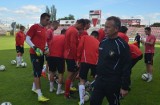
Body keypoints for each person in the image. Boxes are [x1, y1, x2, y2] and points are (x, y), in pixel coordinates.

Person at [90, 16, 131, 105]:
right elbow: (101, 59)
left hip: (112, 81)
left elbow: (127, 66)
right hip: (99, 80)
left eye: (108, 27)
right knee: (93, 101)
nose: (105, 29)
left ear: (116, 29)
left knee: (114, 102)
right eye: (105, 26)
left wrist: (124, 87)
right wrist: (97, 73)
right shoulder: (103, 41)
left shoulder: (122, 45)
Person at [25, 13, 50, 102]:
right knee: (37, 74)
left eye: (48, 20)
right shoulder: (34, 27)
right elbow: (27, 38)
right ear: (42, 19)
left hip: (41, 54)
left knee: (38, 72)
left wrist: (46, 48)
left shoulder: (44, 29)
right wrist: (35, 48)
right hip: (34, 54)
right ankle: (40, 95)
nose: (48, 21)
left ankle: (34, 88)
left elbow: (45, 41)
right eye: (47, 20)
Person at [64, 19, 86, 99]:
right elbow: (73, 46)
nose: (82, 29)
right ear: (79, 24)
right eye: (82, 27)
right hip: (71, 56)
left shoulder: (70, 29)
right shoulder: (74, 31)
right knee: (70, 75)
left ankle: (68, 90)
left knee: (73, 73)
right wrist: (76, 59)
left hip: (69, 55)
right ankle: (66, 94)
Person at [77, 31, 99, 105]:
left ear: (91, 34)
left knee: (82, 80)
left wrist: (78, 58)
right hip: (95, 62)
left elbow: (80, 47)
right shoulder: (98, 42)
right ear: (96, 36)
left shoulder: (85, 37)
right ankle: (94, 95)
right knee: (97, 78)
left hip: (85, 61)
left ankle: (82, 101)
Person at [47, 29, 66, 95]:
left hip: (50, 56)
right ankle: (59, 90)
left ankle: (51, 88)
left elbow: (49, 44)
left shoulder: (54, 37)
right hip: (59, 57)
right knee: (60, 73)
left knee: (51, 72)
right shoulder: (65, 38)